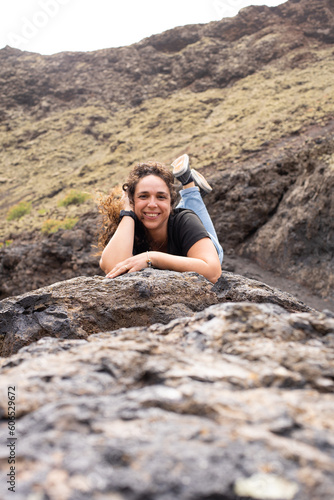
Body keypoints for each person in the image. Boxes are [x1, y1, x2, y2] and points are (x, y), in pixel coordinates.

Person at [98, 154, 223, 284]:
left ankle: (190, 187)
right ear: (131, 201)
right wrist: (128, 213)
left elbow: (213, 273)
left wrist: (151, 258)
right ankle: (192, 191)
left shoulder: (185, 220)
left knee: (190, 213)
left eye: (161, 197)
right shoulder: (127, 227)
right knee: (160, 212)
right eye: (143, 196)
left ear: (171, 203)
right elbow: (113, 268)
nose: (152, 204)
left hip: (209, 247)